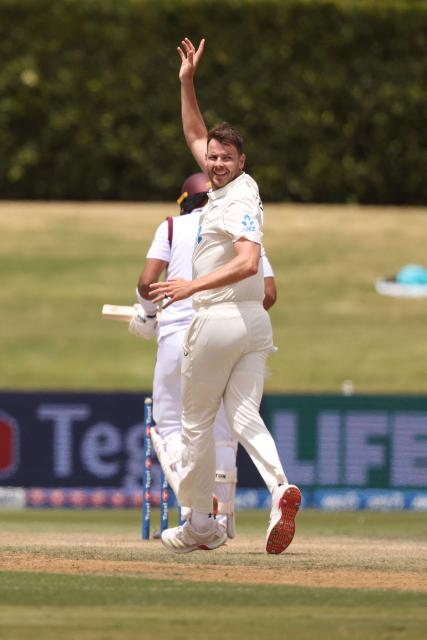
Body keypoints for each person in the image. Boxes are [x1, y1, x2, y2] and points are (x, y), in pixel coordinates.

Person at [149, 37, 301, 555]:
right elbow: (194, 130)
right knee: (241, 417)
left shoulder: (239, 198)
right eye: (211, 157)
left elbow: (249, 262)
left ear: (242, 161)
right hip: (254, 328)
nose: (214, 163)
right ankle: (281, 489)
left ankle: (198, 524)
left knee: (194, 426)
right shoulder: (222, 181)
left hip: (218, 319)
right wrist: (187, 81)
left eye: (224, 158)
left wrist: (192, 285)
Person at [129, 171, 277, 539]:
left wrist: (147, 315)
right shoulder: (241, 224)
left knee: (174, 427)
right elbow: (269, 292)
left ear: (184, 202)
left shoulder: (171, 227)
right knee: (223, 430)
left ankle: (195, 509)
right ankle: (223, 520)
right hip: (224, 332)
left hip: (178, 333)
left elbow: (148, 283)